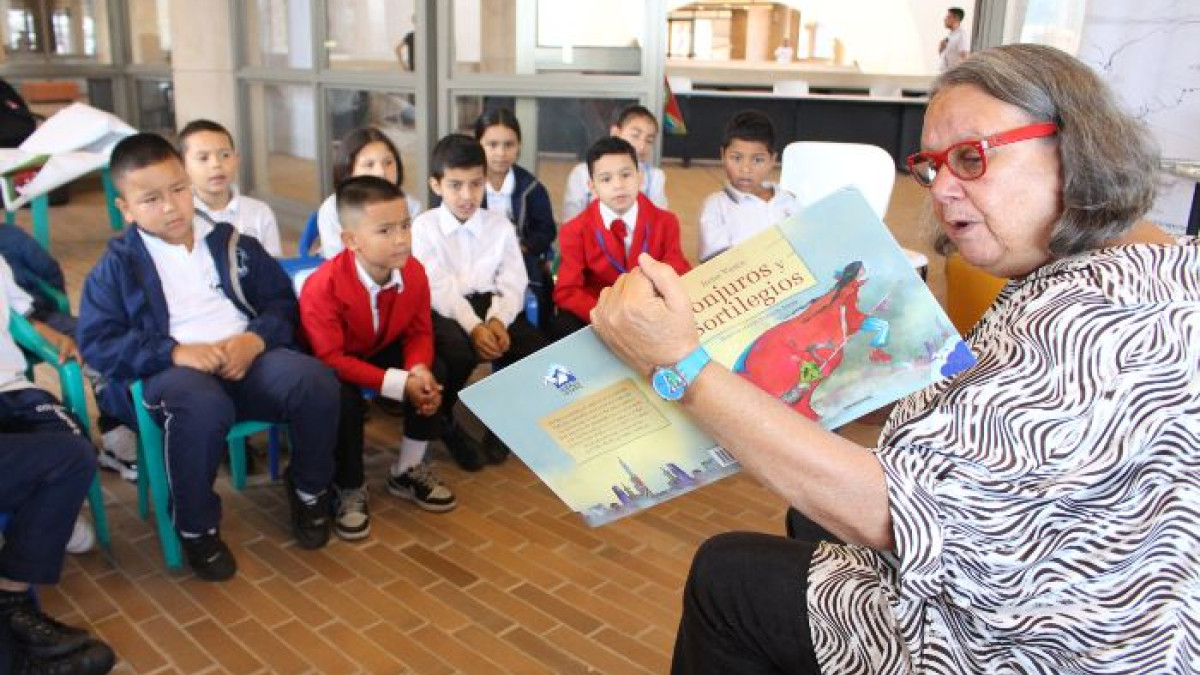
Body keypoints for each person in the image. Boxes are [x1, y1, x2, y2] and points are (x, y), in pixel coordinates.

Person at [590, 43, 1199, 673]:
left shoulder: (1097, 319)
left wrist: (684, 368)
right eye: (933, 168)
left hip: (1037, 637)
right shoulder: (1160, 260)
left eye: (971, 157)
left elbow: (894, 515)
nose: (943, 192)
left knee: (728, 575)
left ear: (1077, 147)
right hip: (1093, 580)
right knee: (809, 515)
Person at [77, 133, 340, 582]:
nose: (171, 207)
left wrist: (255, 340)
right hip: (171, 374)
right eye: (151, 199)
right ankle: (196, 527)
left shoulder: (231, 243)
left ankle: (311, 490)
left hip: (245, 358)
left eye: (178, 189)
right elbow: (98, 341)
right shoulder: (117, 267)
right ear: (125, 208)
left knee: (314, 381)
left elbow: (282, 303)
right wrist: (173, 351)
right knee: (201, 405)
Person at [299, 176, 456, 541]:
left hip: (376, 344)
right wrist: (401, 383)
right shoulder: (322, 286)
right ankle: (349, 486)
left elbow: (419, 330)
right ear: (351, 240)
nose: (401, 238)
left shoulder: (413, 270)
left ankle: (408, 469)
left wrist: (417, 369)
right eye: (385, 230)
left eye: (405, 225)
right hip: (331, 364)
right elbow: (331, 357)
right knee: (343, 400)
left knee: (435, 370)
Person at [0, 256, 116, 674]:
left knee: (73, 448)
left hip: (10, 389)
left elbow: (20, 312)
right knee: (59, 464)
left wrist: (48, 335)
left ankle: (16, 588)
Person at [411, 134, 546, 471]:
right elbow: (438, 288)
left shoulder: (499, 227)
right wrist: (474, 327)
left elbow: (514, 280)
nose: (467, 196)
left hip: (493, 303)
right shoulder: (424, 228)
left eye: (476, 184)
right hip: (444, 307)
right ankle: (447, 423)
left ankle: (506, 423)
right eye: (455, 185)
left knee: (536, 352)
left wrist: (498, 320)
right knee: (456, 353)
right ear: (436, 184)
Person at [0, 225, 139, 481]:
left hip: (33, 320)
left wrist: (49, 318)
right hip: (31, 322)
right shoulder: (11, 236)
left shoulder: (10, 240)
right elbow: (49, 272)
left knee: (99, 345)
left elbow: (25, 307)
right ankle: (120, 433)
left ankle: (118, 433)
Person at [553, 136, 691, 337]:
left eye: (626, 175)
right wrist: (611, 317)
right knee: (561, 324)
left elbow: (678, 272)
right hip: (599, 316)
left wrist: (650, 310)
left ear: (640, 177)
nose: (618, 185)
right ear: (592, 186)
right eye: (606, 179)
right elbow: (567, 291)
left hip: (652, 315)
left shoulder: (666, 222)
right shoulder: (575, 230)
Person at [473, 107, 557, 333]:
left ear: (519, 145)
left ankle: (533, 340)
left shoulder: (532, 187)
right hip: (476, 259)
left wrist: (524, 246)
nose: (501, 153)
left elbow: (546, 230)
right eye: (492, 145)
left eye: (508, 144)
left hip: (520, 256)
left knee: (539, 287)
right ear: (478, 144)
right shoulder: (470, 184)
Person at [697, 110, 800, 262]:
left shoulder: (789, 200)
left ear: (772, 160)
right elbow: (715, 264)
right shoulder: (715, 206)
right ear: (722, 155)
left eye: (757, 160)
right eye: (736, 158)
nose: (746, 169)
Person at [179, 119, 282, 257]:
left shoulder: (259, 212)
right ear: (181, 166)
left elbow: (273, 267)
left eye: (225, 155)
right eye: (203, 158)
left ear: (236, 159)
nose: (216, 164)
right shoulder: (179, 217)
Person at [317, 127, 423, 259]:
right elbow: (337, 262)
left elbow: (416, 257)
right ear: (349, 171)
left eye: (388, 162)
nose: (381, 172)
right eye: (369, 164)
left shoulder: (411, 206)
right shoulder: (332, 209)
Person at [561, 105, 668, 223]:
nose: (642, 146)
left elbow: (660, 222)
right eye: (635, 136)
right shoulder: (582, 173)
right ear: (615, 132)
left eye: (649, 141)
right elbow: (570, 221)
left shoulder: (655, 177)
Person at [938, 7, 969, 72]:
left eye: (948, 17)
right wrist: (941, 48)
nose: (945, 19)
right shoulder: (951, 35)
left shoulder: (961, 35)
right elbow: (945, 56)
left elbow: (965, 57)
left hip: (952, 78)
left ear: (956, 18)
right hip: (944, 76)